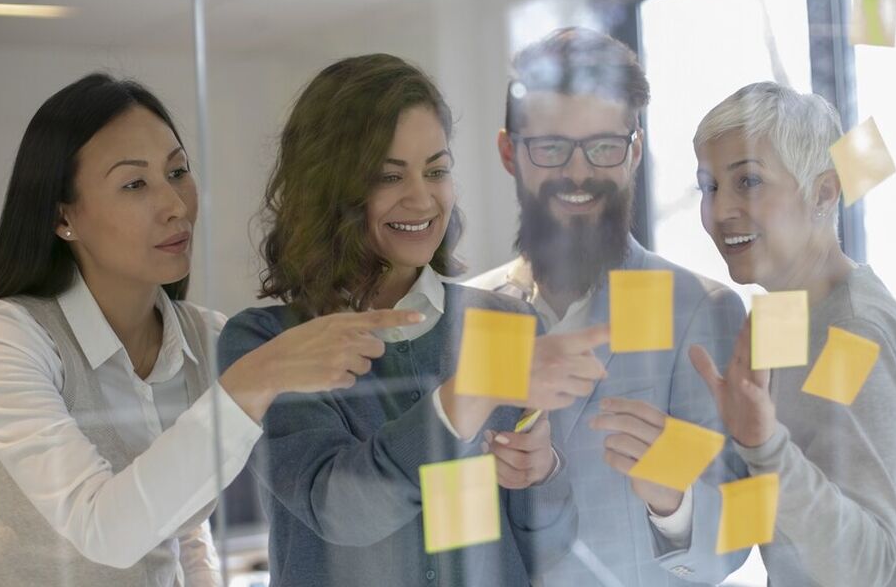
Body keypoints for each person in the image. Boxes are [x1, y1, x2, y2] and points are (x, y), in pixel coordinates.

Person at [0, 73, 419, 586]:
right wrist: (256, 378)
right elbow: (104, 529)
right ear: (63, 216)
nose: (176, 206)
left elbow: (182, 529)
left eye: (178, 172)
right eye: (135, 184)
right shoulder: (3, 336)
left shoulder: (206, 338)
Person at [217, 53, 610, 586]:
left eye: (437, 171)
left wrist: (543, 473)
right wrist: (471, 392)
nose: (422, 198)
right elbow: (341, 509)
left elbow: (550, 547)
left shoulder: (508, 323)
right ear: (327, 188)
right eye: (389, 175)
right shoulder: (264, 344)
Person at [468, 27, 749, 585]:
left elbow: (734, 544)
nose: (579, 173)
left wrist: (673, 499)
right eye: (551, 147)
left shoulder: (701, 310)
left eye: (603, 147)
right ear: (509, 152)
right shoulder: (468, 316)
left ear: (634, 152)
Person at [687, 81, 896, 586]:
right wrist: (671, 489)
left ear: (823, 193)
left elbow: (863, 566)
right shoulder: (783, 315)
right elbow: (782, 517)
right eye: (709, 187)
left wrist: (762, 445)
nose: (719, 211)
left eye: (748, 181)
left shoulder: (852, 333)